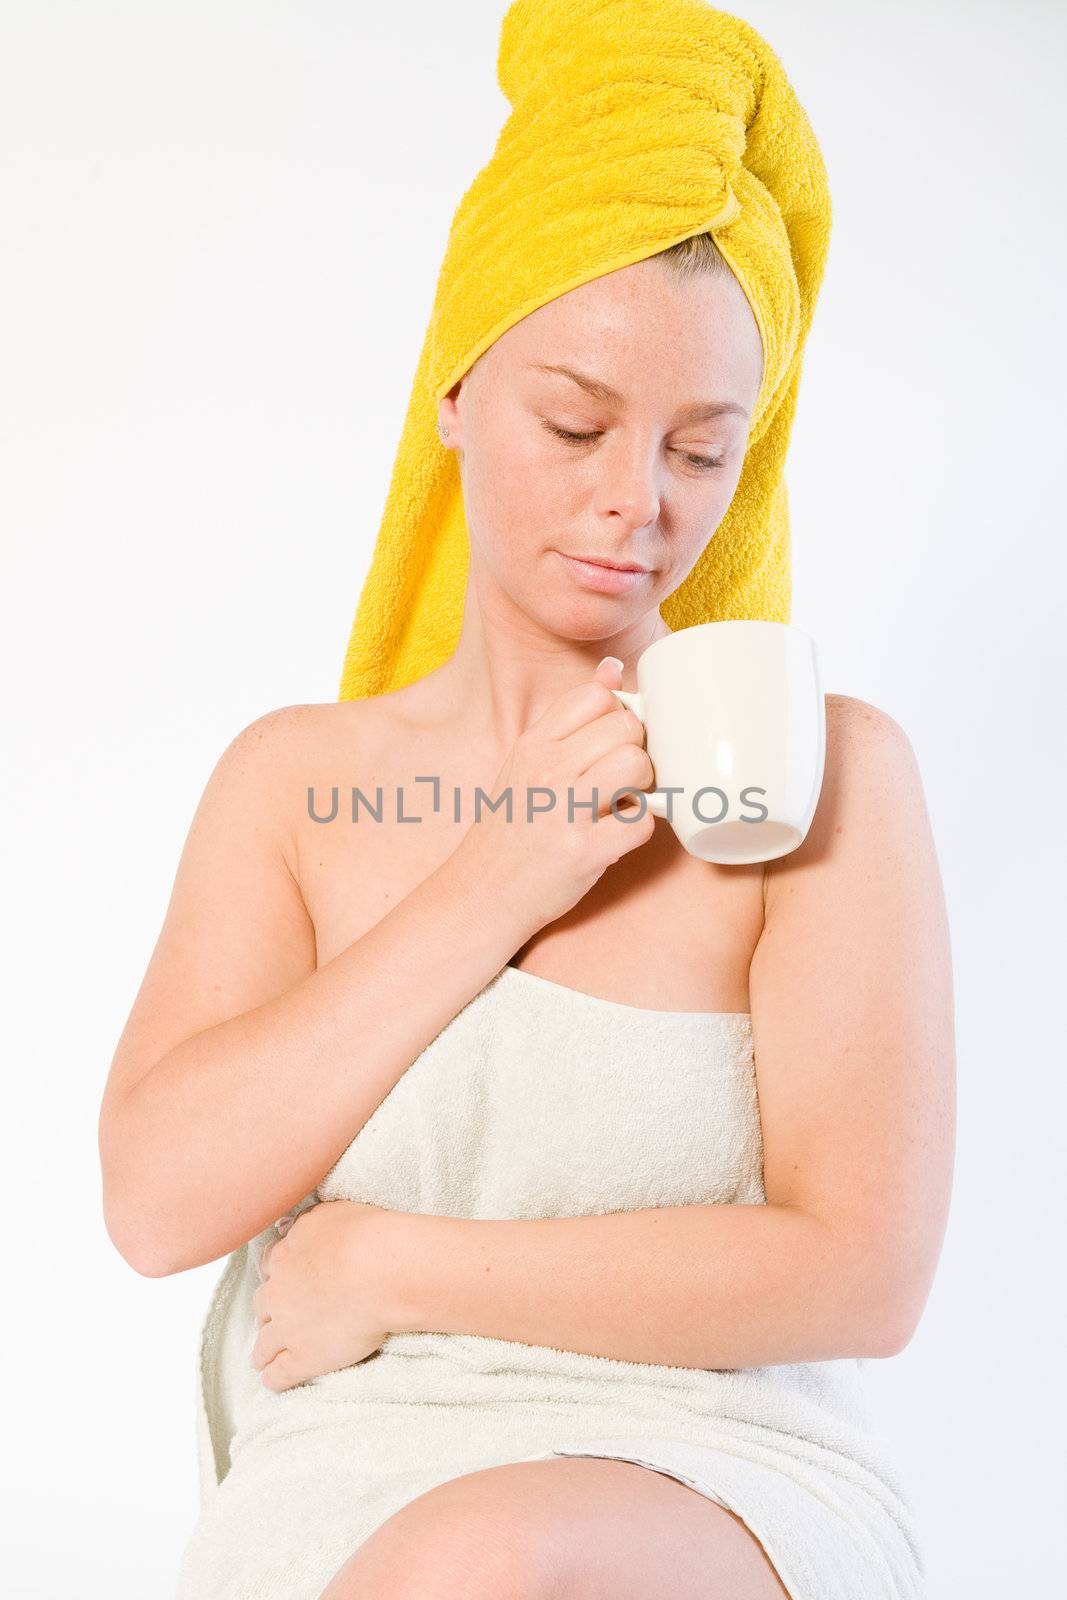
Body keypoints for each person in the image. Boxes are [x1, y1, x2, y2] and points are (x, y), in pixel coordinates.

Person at [98, 7, 955, 1599]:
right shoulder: (294, 784)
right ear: (453, 392)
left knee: (486, 1559)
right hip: (338, 1486)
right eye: (578, 424)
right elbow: (157, 1199)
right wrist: (501, 877)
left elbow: (862, 1273)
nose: (640, 500)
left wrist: (409, 1269)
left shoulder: (820, 784)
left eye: (706, 450)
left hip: (713, 1474)